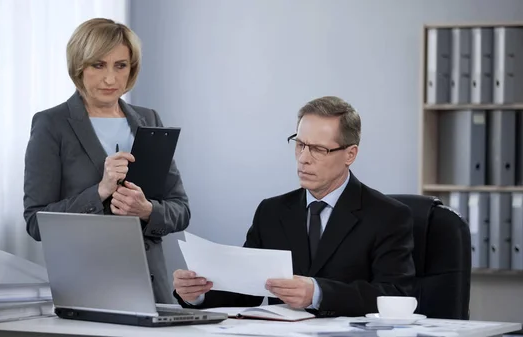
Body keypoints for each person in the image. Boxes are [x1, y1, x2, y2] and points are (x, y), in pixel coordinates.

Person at [172, 96, 415, 317]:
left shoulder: (388, 216)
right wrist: (197, 293)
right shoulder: (272, 212)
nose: (303, 158)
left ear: (350, 154)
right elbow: (246, 291)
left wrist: (318, 293)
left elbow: (395, 295)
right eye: (300, 145)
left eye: (319, 149)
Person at [23, 18, 190, 304]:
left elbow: (181, 210)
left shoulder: (149, 119)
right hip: (86, 289)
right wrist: (99, 191)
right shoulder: (51, 124)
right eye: (98, 65)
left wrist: (147, 210)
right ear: (79, 66)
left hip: (152, 290)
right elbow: (36, 223)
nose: (110, 79)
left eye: (120, 65)